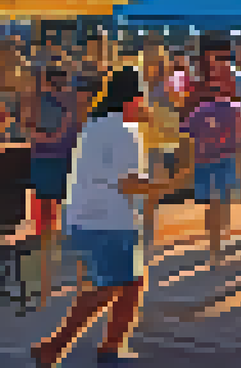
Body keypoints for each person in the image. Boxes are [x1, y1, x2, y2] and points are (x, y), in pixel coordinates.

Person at [31, 67, 166, 368]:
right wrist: (172, 183)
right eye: (144, 99)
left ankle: (110, 350)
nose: (147, 106)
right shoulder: (125, 132)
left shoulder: (99, 125)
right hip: (108, 220)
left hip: (90, 217)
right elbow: (130, 183)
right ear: (133, 100)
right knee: (110, 287)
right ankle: (54, 346)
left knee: (130, 284)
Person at [180, 57, 241, 266]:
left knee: (211, 206)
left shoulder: (200, 110)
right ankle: (221, 242)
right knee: (223, 202)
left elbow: (185, 132)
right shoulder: (234, 108)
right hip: (226, 160)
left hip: (203, 162)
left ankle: (214, 247)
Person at [28, 67, 80, 301]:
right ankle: (54, 271)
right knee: (61, 215)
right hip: (61, 160)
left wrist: (42, 137)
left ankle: (46, 276)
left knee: (46, 219)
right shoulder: (71, 102)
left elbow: (30, 129)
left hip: (45, 160)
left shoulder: (41, 102)